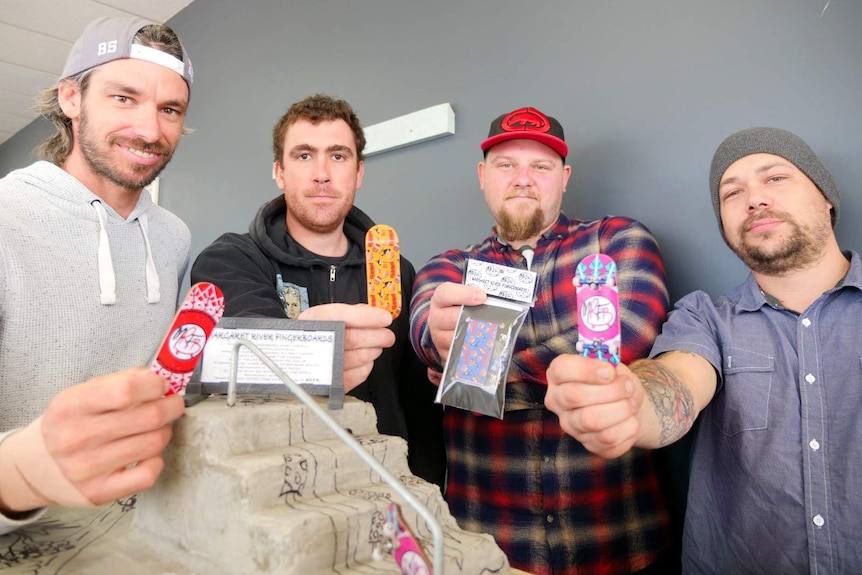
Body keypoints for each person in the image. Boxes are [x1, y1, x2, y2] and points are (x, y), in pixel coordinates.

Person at [545, 126, 862, 574]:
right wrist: (632, 403)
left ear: (826, 196)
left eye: (775, 178)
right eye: (732, 193)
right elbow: (673, 382)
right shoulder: (704, 319)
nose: (754, 199)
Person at [409, 106, 674, 575]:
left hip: (619, 542)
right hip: (490, 547)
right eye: (506, 165)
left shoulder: (616, 242)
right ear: (483, 176)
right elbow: (425, 335)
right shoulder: (448, 268)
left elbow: (630, 335)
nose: (522, 178)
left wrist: (474, 376)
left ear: (564, 177)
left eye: (541, 166)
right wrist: (440, 347)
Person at [0, 17, 195, 534]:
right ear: (71, 97)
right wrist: (17, 474)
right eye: (124, 98)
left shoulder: (174, 236)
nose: (150, 131)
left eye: (169, 109)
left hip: (143, 530)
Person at [190, 94, 445, 486]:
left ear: (359, 173)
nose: (322, 173)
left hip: (390, 488)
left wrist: (425, 491)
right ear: (279, 172)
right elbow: (254, 358)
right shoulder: (230, 259)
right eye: (304, 155)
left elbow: (418, 405)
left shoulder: (397, 272)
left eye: (338, 156)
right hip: (279, 489)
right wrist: (309, 348)